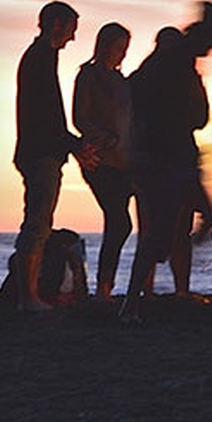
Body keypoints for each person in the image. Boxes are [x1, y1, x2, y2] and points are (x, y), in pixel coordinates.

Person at [121, 2, 212, 322]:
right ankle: (132, 302)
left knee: (202, 219)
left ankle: (137, 298)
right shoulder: (173, 61)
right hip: (164, 161)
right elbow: (196, 116)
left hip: (178, 159)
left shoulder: (179, 65)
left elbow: (199, 117)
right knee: (158, 239)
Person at [13, 1, 95, 312]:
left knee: (39, 221)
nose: (73, 38)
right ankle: (28, 298)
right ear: (56, 24)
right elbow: (47, 115)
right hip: (40, 152)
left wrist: (71, 145)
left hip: (41, 150)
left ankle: (29, 296)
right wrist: (73, 144)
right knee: (37, 222)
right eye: (71, 29)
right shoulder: (39, 58)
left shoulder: (42, 57)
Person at [73, 22, 134, 299]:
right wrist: (104, 138)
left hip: (126, 161)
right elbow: (80, 118)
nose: (122, 53)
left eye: (125, 48)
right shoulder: (89, 76)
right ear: (104, 46)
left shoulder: (122, 81)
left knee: (121, 222)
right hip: (100, 160)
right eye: (118, 47)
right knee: (119, 221)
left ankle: (109, 286)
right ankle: (104, 287)